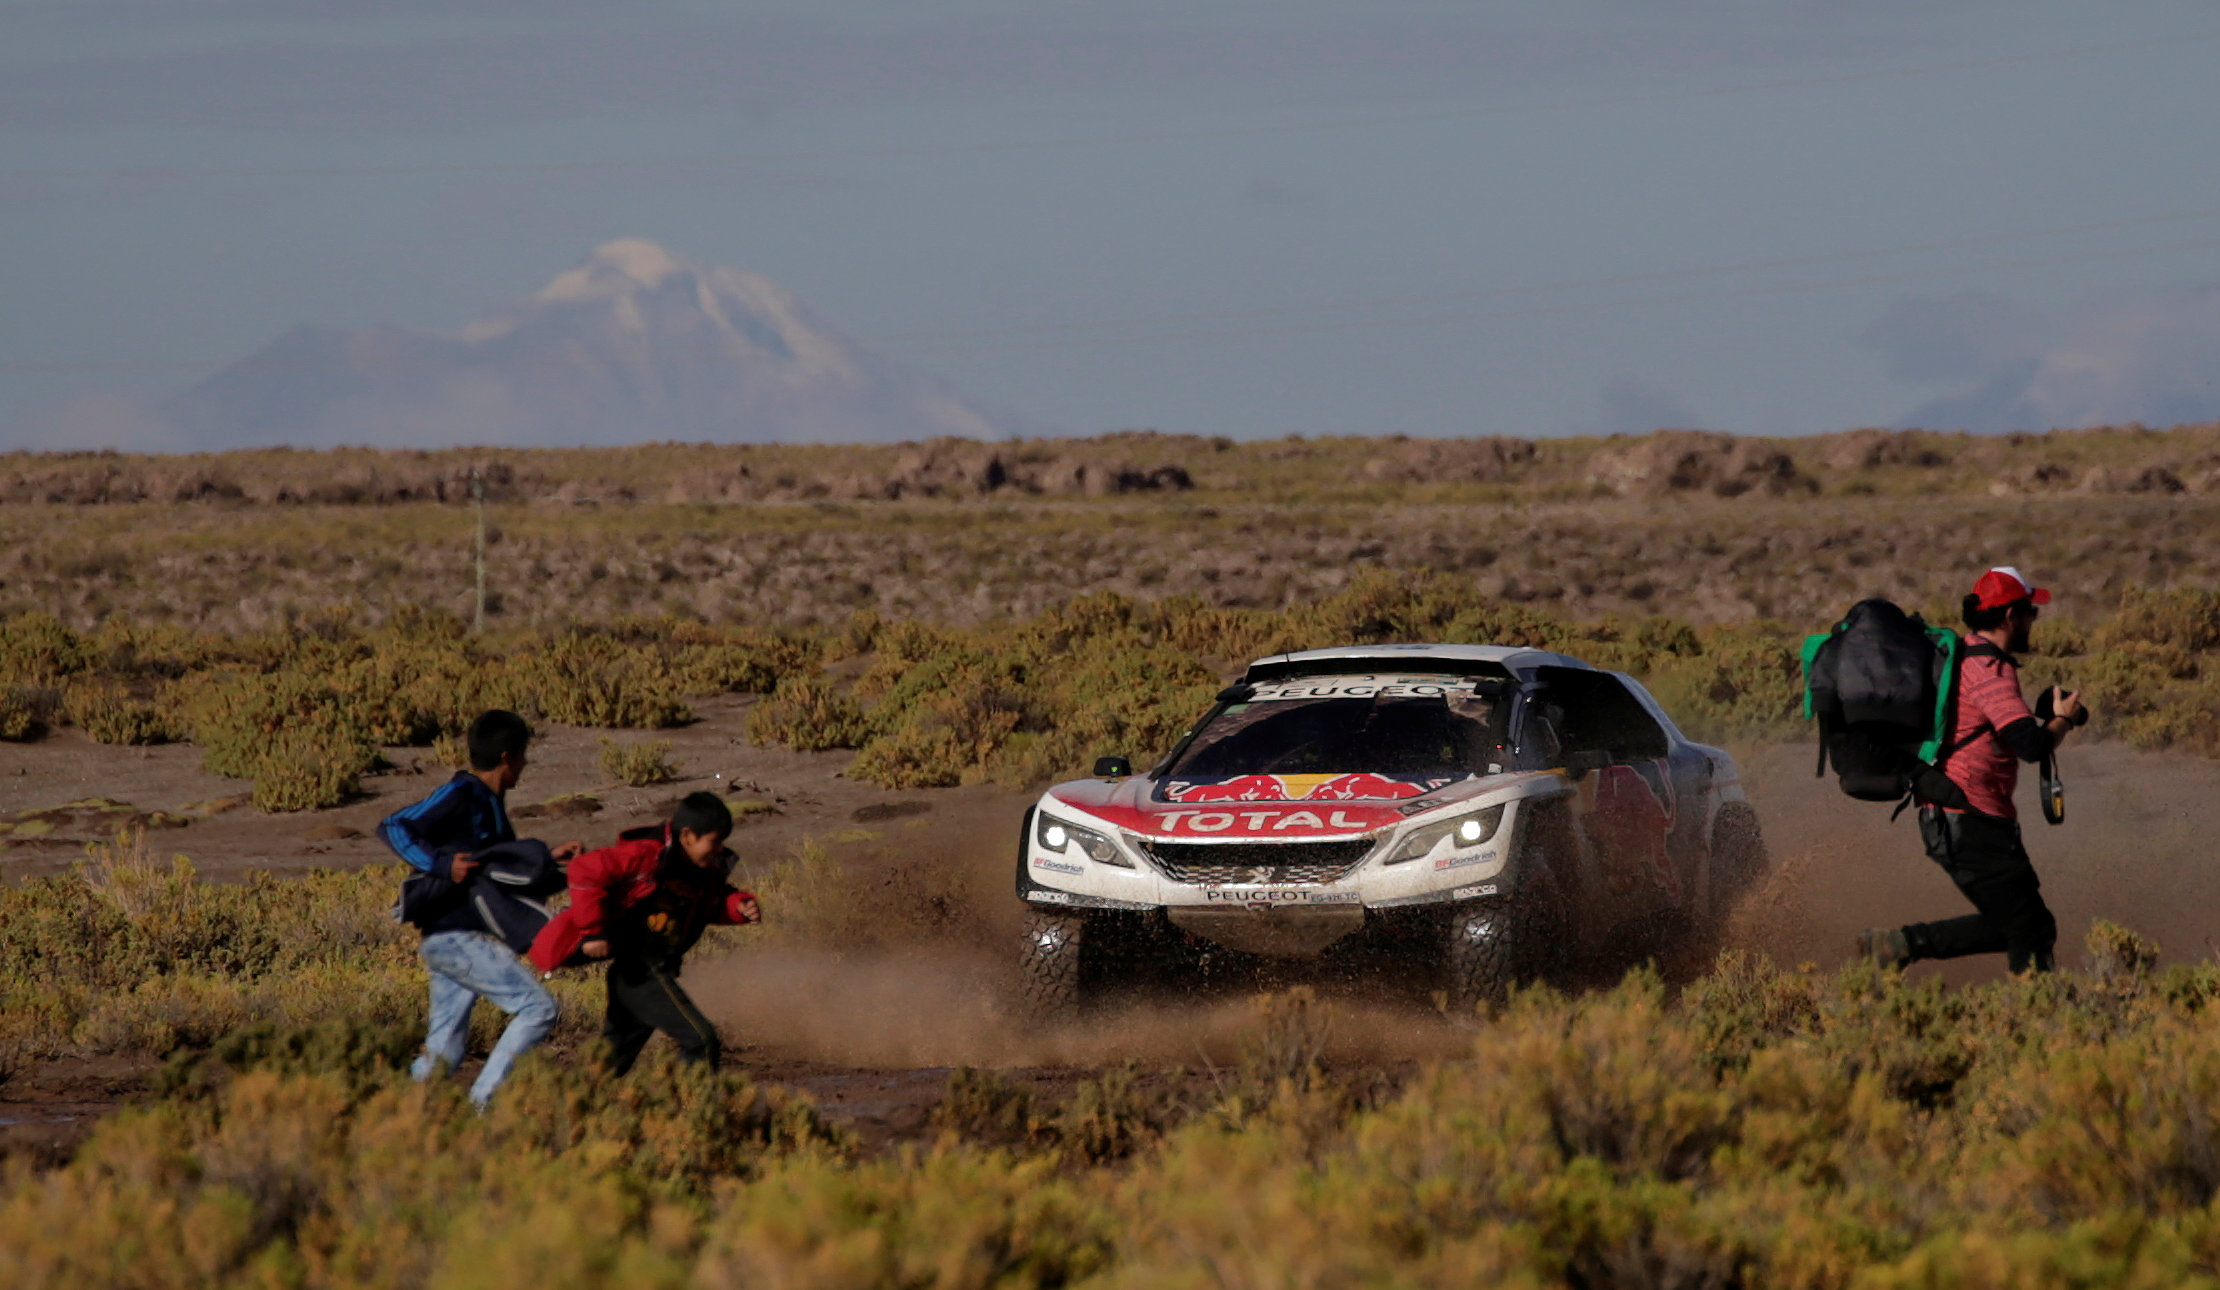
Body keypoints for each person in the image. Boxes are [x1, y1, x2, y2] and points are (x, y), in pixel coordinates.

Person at [1858, 567, 2086, 975]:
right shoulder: (1988, 670)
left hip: (1965, 818)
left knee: (2024, 925)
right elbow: (2031, 746)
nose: (2034, 620)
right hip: (1966, 821)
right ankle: (2037, 1015)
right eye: (2030, 612)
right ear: (2010, 616)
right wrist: (2063, 719)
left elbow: (1998, 727)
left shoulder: (1965, 654)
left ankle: (1895, 945)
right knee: (2029, 928)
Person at [377, 708, 584, 1107]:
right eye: (523, 755)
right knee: (537, 1009)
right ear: (507, 756)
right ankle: (482, 1107)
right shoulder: (462, 792)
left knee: (444, 1056)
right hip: (459, 939)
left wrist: (555, 863)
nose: (525, 765)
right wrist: (440, 864)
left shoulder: (492, 803)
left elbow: (498, 871)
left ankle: (390, 1114)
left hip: (451, 942)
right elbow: (392, 826)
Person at [530, 792, 761, 1075]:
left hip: (647, 972)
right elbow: (583, 869)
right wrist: (592, 933)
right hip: (641, 972)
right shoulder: (645, 855)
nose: (719, 849)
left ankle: (569, 1108)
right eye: (714, 841)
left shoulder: (701, 871)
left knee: (609, 1063)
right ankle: (691, 1113)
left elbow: (710, 904)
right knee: (700, 1040)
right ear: (687, 836)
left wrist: (738, 907)